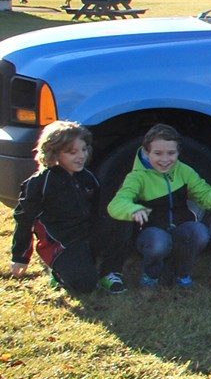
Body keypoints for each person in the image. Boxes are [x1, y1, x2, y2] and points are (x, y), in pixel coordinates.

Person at [8, 120, 131, 295]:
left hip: (87, 234)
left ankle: (109, 272)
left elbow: (101, 209)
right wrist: (20, 257)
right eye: (72, 152)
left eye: (83, 149)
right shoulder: (39, 183)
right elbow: (24, 219)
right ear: (54, 153)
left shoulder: (87, 177)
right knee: (85, 285)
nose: (80, 156)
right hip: (62, 242)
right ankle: (59, 271)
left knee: (123, 218)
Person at [107, 123, 211, 288]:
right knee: (159, 242)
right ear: (146, 152)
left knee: (199, 232)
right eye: (158, 153)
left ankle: (182, 273)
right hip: (150, 234)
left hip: (179, 228)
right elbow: (116, 204)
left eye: (171, 153)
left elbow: (203, 192)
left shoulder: (184, 171)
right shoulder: (137, 177)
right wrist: (133, 209)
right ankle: (151, 274)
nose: (165, 160)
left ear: (178, 152)